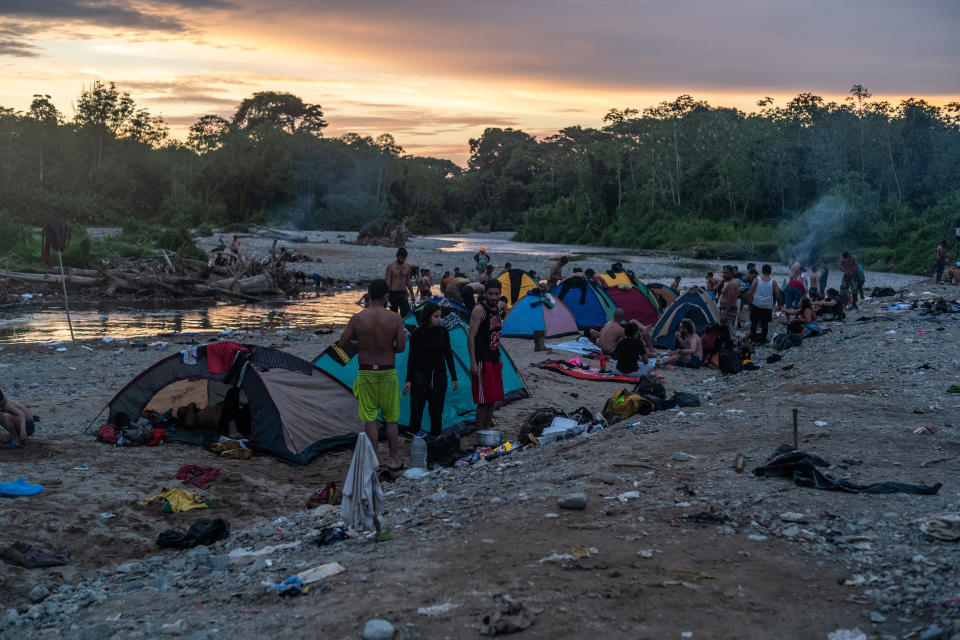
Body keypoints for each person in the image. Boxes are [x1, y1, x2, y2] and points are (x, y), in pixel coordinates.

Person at [338, 279, 406, 471]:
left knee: (370, 419)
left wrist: (360, 344)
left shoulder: (358, 318)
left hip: (366, 372)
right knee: (391, 419)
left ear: (368, 295)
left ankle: (374, 460)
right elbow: (400, 348)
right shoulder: (394, 318)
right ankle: (394, 459)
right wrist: (386, 345)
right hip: (387, 372)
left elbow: (342, 343)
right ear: (386, 296)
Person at [403, 303, 458, 438]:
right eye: (436, 316)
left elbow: (448, 354)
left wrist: (454, 376)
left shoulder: (443, 331)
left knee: (436, 408)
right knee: (417, 407)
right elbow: (412, 358)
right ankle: (413, 435)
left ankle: (435, 436)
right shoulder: (417, 333)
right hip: (420, 376)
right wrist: (409, 380)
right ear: (428, 317)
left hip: (439, 375)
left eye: (440, 316)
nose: (439, 319)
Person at [468, 280, 505, 429]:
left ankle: (487, 432)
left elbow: (494, 334)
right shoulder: (479, 310)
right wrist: (472, 362)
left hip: (495, 359)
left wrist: (500, 355)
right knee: (483, 402)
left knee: (492, 400)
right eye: (490, 293)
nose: (493, 297)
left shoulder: (497, 308)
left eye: (496, 294)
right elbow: (470, 336)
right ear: (485, 293)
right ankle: (480, 434)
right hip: (482, 361)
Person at [748, 264, 780, 344]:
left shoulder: (756, 280)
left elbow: (750, 293)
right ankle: (763, 339)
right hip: (767, 305)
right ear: (770, 272)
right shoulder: (773, 282)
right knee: (765, 322)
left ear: (762, 271)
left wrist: (750, 303)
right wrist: (779, 305)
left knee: (754, 322)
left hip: (757, 304)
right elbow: (778, 295)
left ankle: (753, 339)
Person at [385, 247, 417, 316]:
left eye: (404, 258)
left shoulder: (407, 266)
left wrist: (412, 294)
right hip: (393, 293)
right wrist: (386, 294)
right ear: (397, 256)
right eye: (401, 258)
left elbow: (408, 281)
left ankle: (405, 326)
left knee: (406, 312)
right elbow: (388, 281)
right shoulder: (391, 267)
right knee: (394, 313)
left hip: (403, 293)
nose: (403, 260)